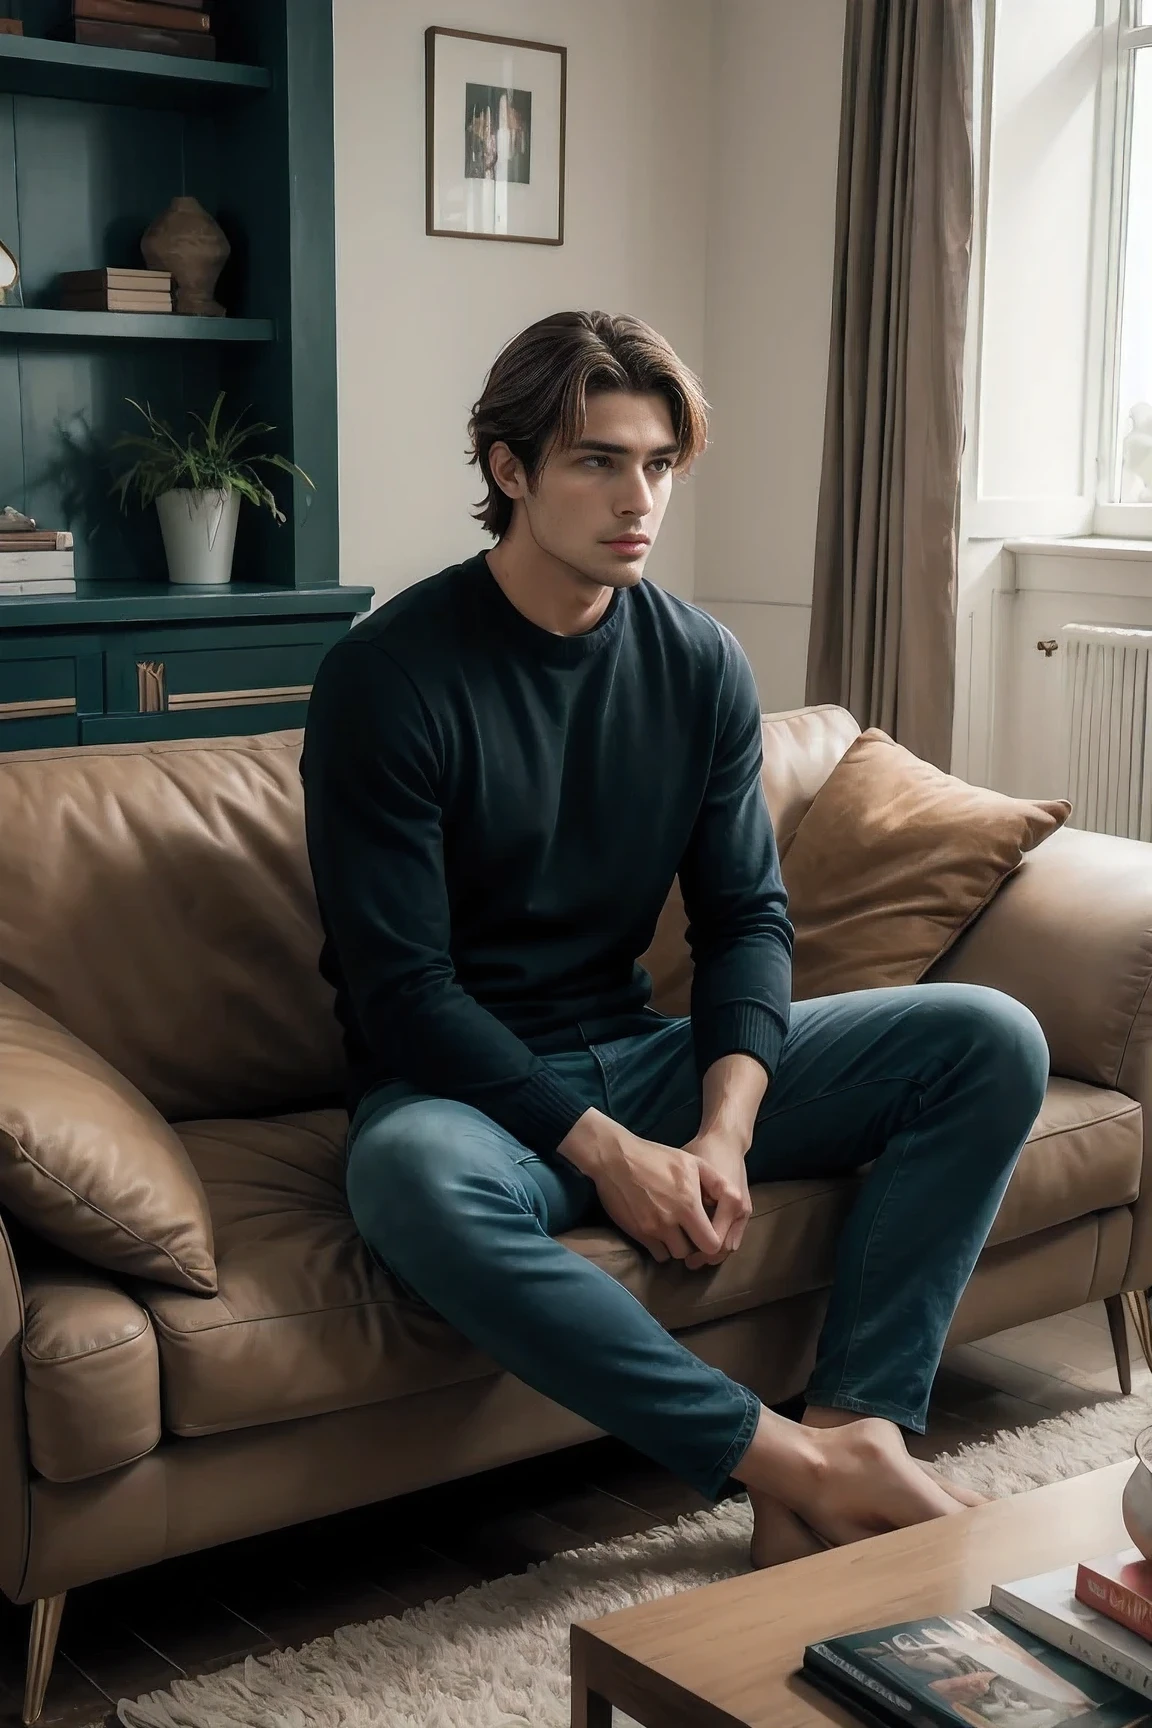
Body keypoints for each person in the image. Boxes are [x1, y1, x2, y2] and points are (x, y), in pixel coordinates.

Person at [300, 309, 1049, 1564]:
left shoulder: (699, 659)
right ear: (510, 470)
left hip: (637, 1051)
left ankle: (859, 1426)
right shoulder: (390, 675)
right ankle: (786, 1462)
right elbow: (400, 990)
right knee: (407, 1181)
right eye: (597, 459)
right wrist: (607, 1155)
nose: (636, 497)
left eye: (657, 463)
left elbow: (747, 916)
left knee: (989, 1038)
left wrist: (720, 1128)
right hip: (465, 1097)